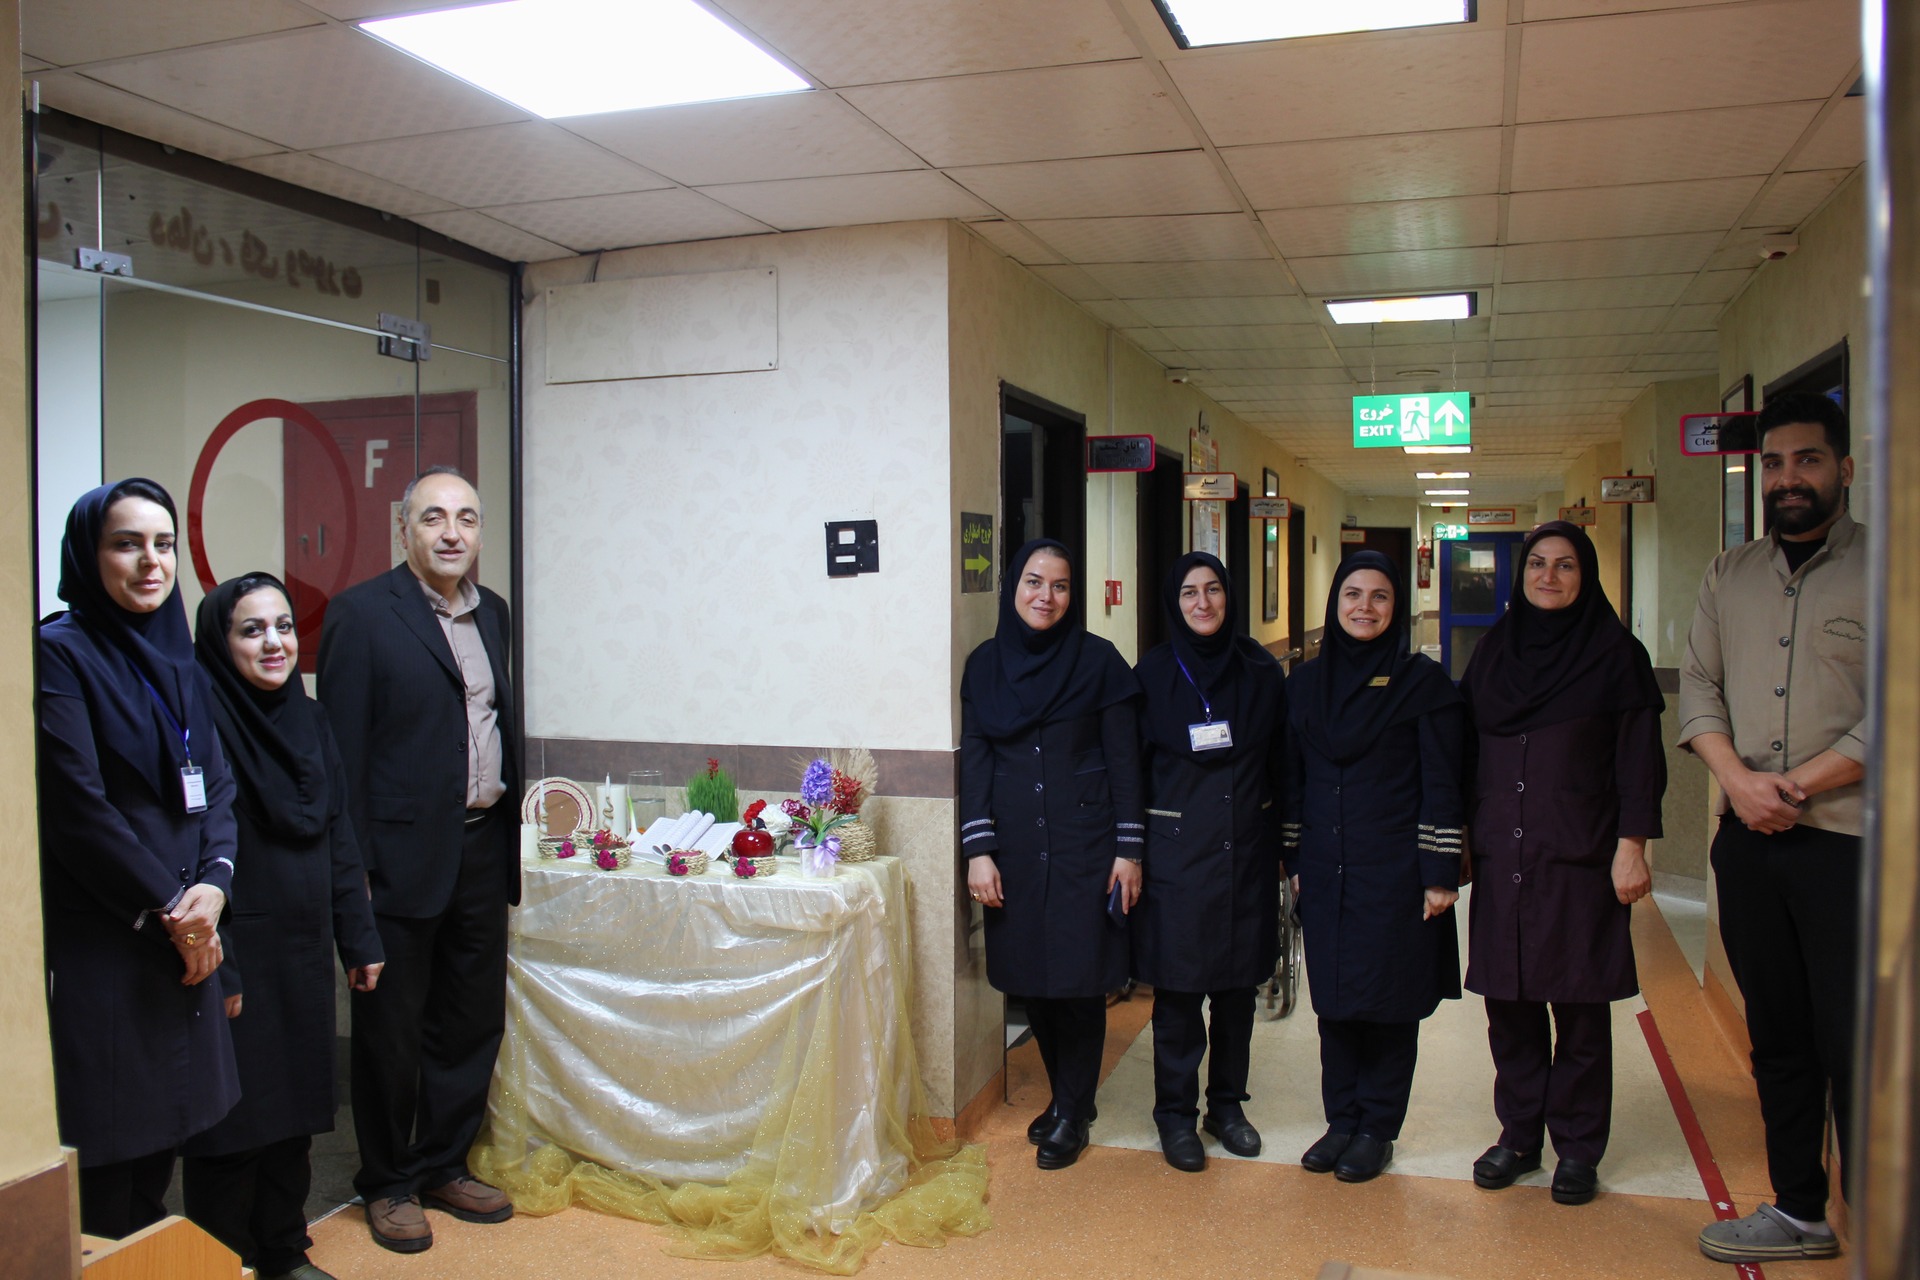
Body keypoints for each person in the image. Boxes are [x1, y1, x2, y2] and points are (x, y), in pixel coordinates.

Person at [1679, 393, 1866, 1265]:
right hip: (1749, 845)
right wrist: (1738, 783)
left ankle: (1882, 1219)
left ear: (1844, 468)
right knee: (1780, 1036)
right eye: (1776, 463)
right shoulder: (1730, 574)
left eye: (1808, 460)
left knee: (1859, 1038)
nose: (1789, 478)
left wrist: (1792, 786)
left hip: (1851, 846)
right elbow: (1700, 688)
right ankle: (1800, 1210)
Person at [317, 466, 521, 1253]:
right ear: (404, 528)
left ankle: (443, 1163)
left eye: (466, 518)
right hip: (397, 859)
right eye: (433, 517)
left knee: (470, 1022)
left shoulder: (493, 612)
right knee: (391, 1031)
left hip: (482, 846)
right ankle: (387, 1181)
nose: (451, 532)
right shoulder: (363, 614)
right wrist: (355, 874)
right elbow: (343, 754)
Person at [36, 478, 240, 1238]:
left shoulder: (178, 653)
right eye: (127, 544)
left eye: (164, 544)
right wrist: (174, 910)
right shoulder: (59, 654)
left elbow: (218, 787)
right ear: (89, 555)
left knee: (164, 1143)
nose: (151, 562)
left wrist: (214, 887)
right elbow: (78, 808)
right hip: (116, 935)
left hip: (188, 928)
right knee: (109, 1159)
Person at [181, 574, 386, 1280]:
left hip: (301, 946)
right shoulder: (200, 721)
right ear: (220, 642)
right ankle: (221, 1261)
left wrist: (358, 937)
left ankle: (282, 1250)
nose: (274, 643)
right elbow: (191, 855)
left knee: (296, 1111)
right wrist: (221, 964)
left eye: (284, 627)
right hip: (235, 948)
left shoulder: (310, 719)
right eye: (252, 630)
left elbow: (338, 833)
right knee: (232, 1124)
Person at [1458, 522, 1667, 1207]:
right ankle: (1519, 1137)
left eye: (1566, 565)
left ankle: (1577, 1148)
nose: (1549, 576)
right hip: (1504, 854)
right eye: (1538, 564)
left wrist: (1633, 846)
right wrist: (1461, 837)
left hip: (1580, 857)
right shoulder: (1495, 651)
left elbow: (1640, 762)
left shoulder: (1617, 655)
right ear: (1521, 574)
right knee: (1509, 1005)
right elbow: (1466, 751)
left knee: (1579, 1008)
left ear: (1587, 575)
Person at [1282, 551, 1467, 1183]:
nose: (1365, 607)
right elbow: (1293, 780)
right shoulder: (1305, 685)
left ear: (1397, 607)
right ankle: (1341, 1122)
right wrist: (1294, 859)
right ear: (1334, 603)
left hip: (1395, 872)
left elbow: (1442, 783)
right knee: (1334, 1003)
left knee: (1389, 1004)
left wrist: (1439, 872)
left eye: (1380, 596)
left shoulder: (1422, 686)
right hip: (1325, 867)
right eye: (1353, 595)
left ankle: (1377, 1129)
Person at [961, 538, 1143, 1171]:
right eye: (1034, 582)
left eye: (1061, 585)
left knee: (1079, 982)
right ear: (1013, 587)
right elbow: (977, 760)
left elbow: (1125, 762)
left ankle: (1073, 1109)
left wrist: (1129, 851)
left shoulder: (1099, 662)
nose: (1047, 596)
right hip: (1013, 850)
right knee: (1030, 980)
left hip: (1085, 848)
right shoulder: (985, 667)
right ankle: (1070, 1097)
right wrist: (978, 849)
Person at [1131, 552, 1286, 1173]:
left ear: (1229, 595)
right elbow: (1132, 771)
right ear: (1175, 602)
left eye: (1214, 589)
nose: (1203, 603)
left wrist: (1286, 847)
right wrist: (1131, 851)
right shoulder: (1151, 674)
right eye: (1189, 592)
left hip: (1245, 852)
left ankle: (1226, 1106)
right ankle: (1175, 1114)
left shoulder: (1261, 670)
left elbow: (1281, 762)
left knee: (1237, 992)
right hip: (1177, 857)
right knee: (1178, 995)